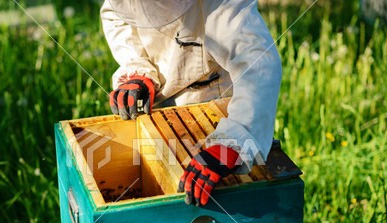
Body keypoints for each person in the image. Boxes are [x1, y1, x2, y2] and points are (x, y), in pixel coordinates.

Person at [101, 0, 282, 206]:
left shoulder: (223, 4)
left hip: (214, 105)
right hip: (158, 105)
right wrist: (138, 69)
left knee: (230, 198)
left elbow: (258, 64)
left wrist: (234, 141)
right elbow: (117, 16)